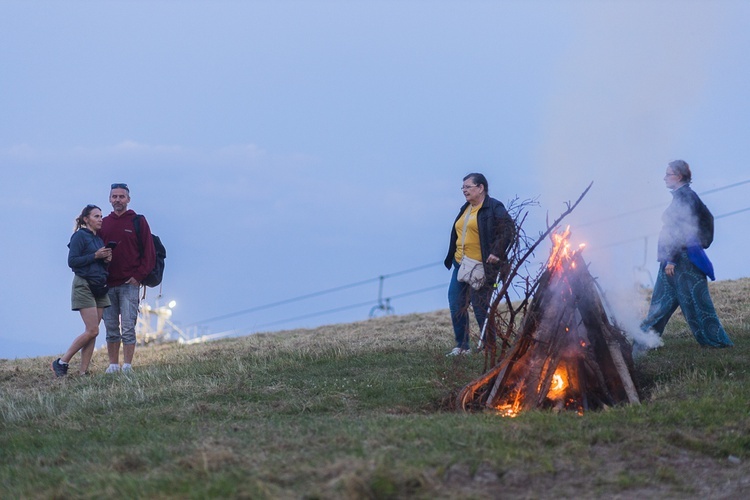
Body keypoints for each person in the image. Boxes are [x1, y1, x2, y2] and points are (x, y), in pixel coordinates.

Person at [636, 160, 733, 354]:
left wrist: (672, 258)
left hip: (681, 262)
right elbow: (705, 219)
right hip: (677, 260)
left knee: (696, 305)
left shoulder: (685, 197)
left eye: (668, 174)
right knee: (663, 304)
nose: (664, 178)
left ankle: (718, 344)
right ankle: (643, 343)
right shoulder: (683, 196)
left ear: (678, 176)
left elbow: (680, 228)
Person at [444, 173, 515, 356]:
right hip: (461, 263)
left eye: (468, 187)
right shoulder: (465, 208)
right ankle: (462, 346)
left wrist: (497, 252)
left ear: (481, 187)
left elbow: (508, 229)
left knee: (480, 306)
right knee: (455, 302)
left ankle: (489, 347)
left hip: (483, 266)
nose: (464, 190)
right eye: (463, 188)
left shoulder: (493, 207)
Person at [98, 183, 155, 373]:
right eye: (114, 196)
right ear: (109, 199)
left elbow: (149, 252)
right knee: (111, 327)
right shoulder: (103, 223)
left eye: (121, 196)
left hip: (129, 284)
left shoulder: (138, 221)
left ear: (128, 199)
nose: (117, 200)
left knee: (129, 326)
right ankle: (113, 365)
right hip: (107, 284)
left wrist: (138, 277)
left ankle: (128, 366)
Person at [51, 205, 112, 377]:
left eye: (101, 216)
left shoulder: (98, 239)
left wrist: (106, 260)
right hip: (84, 284)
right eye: (96, 216)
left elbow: (96, 262)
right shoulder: (79, 236)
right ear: (86, 219)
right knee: (92, 330)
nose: (100, 219)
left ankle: (83, 372)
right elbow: (73, 261)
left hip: (99, 285)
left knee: (93, 332)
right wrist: (95, 256)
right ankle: (61, 362)